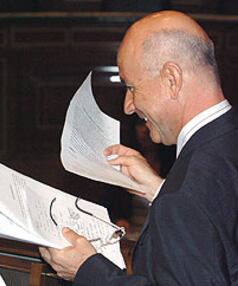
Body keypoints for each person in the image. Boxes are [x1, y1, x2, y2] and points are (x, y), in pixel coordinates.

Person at [39, 10, 238, 285]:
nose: (127, 106)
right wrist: (158, 189)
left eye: (131, 87)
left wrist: (88, 270)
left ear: (171, 79)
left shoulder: (184, 195)